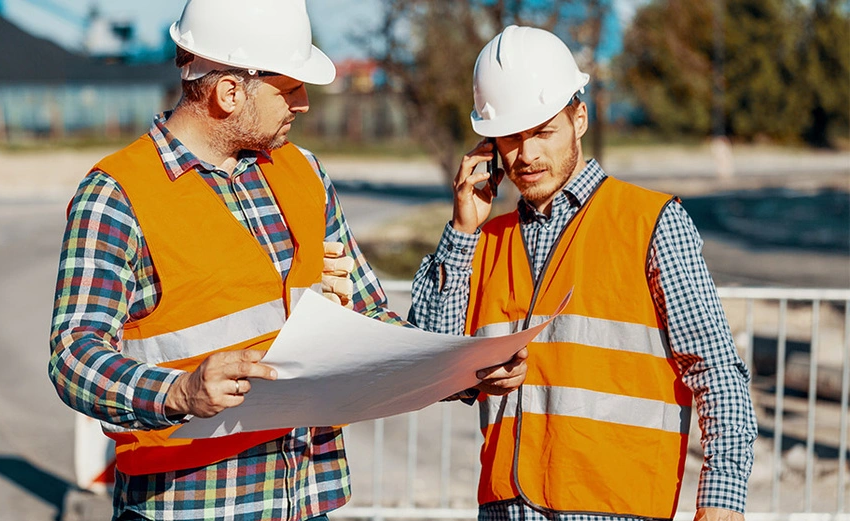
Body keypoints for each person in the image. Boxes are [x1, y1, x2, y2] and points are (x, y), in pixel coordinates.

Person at [47, 1, 406, 519]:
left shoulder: (303, 172)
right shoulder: (118, 195)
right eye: (290, 88)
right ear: (229, 92)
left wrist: (455, 372)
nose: (304, 104)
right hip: (189, 506)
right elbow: (73, 356)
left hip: (306, 498)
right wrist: (178, 391)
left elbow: (370, 310)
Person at [409, 25, 758, 521]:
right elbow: (428, 370)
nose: (525, 154)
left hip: (618, 508)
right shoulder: (482, 242)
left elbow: (717, 371)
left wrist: (722, 503)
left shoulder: (650, 223)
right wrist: (461, 230)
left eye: (543, 131)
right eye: (509, 136)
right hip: (508, 509)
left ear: (580, 119)